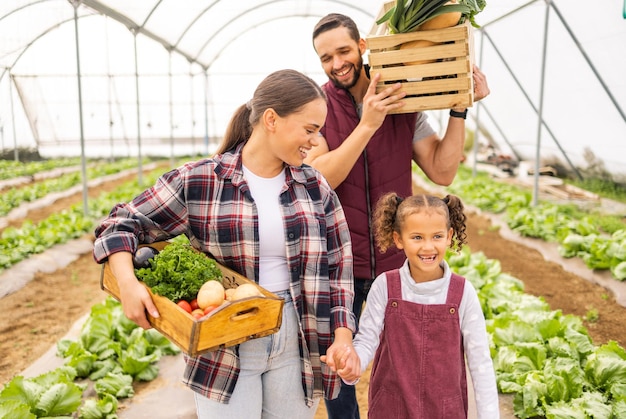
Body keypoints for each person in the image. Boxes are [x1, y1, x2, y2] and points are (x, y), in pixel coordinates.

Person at [92, 69, 359, 419]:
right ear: (271, 120)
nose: (315, 140)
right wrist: (127, 284)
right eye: (310, 129)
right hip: (224, 341)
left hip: (297, 338)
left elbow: (338, 268)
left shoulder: (314, 186)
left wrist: (342, 336)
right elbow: (118, 224)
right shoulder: (200, 180)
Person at [308, 13, 491, 417]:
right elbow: (319, 178)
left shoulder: (404, 100)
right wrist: (368, 124)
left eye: (343, 51)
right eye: (325, 57)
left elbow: (442, 170)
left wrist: (460, 111)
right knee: (340, 378)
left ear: (362, 47)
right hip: (339, 267)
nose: (336, 63)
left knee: (404, 374)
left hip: (396, 267)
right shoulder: (318, 108)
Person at [330, 192, 500, 418]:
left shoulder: (462, 293)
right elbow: (367, 340)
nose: (428, 247)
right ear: (398, 239)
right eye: (417, 237)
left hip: (444, 411)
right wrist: (353, 365)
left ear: (450, 236)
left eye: (437, 236)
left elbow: (480, 363)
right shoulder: (385, 286)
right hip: (391, 408)